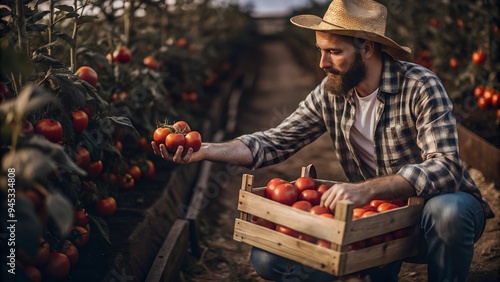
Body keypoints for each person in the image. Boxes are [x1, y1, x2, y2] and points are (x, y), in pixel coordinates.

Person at [151, 0, 494, 281]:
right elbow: (273, 141)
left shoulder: (420, 86)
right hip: (373, 220)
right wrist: (205, 150)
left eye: (333, 52)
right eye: (320, 50)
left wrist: (367, 189)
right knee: (269, 260)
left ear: (368, 48)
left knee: (450, 209)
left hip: (425, 217)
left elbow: (446, 167)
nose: (322, 62)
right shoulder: (331, 93)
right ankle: (373, 269)